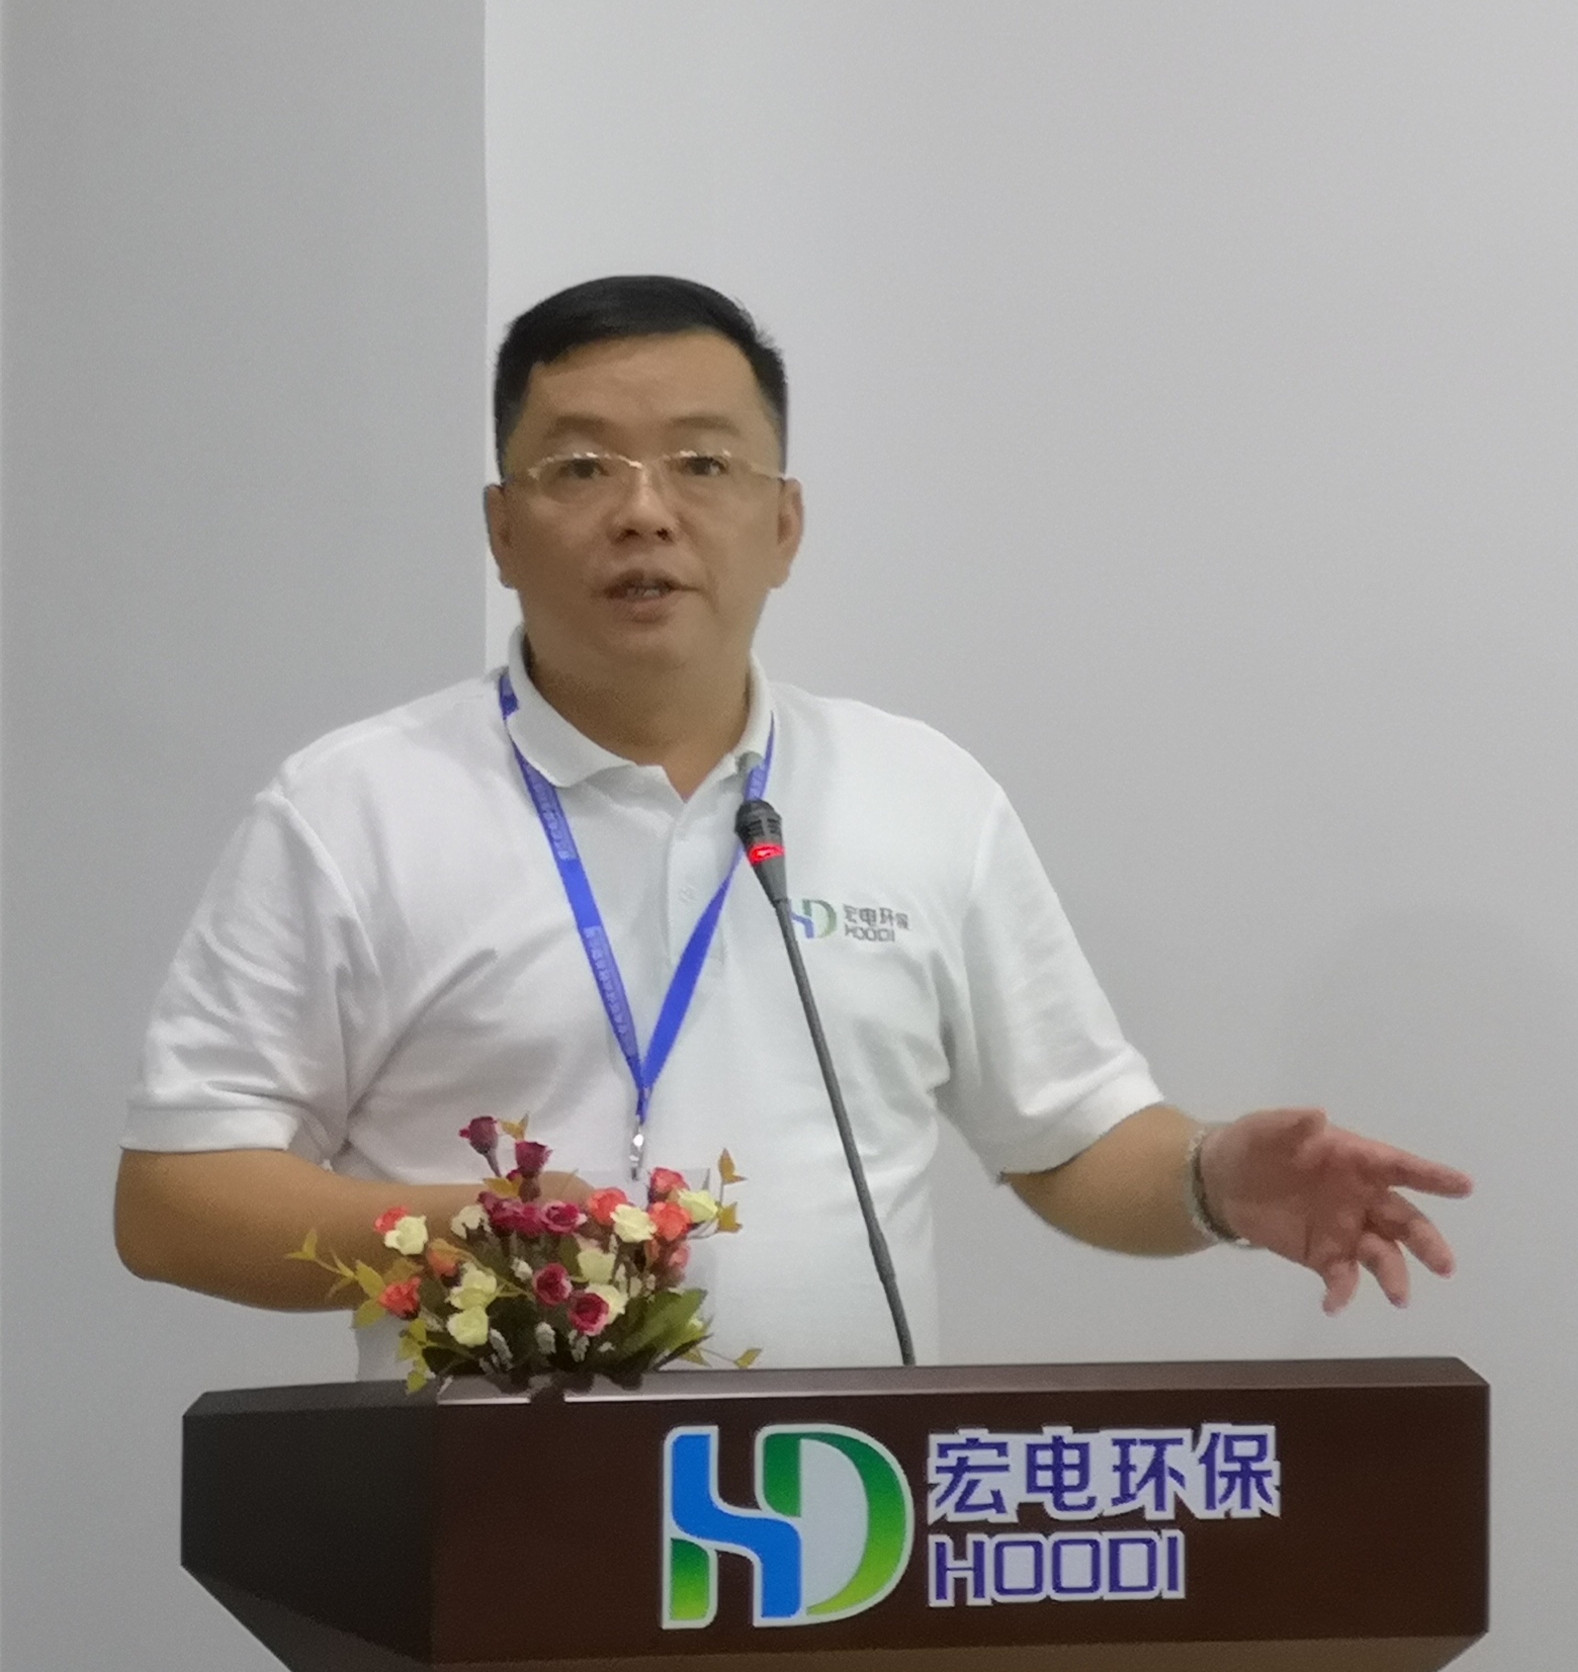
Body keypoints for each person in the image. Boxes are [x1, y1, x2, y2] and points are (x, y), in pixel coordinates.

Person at [115, 275, 1472, 1372]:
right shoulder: (356, 809)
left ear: (784, 523)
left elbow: (1067, 1139)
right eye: (579, 468)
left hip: (838, 1533)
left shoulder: (919, 792)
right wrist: (474, 1239)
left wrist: (1213, 1178)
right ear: (501, 530)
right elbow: (174, 1200)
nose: (644, 512)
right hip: (490, 1535)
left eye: (702, 463)